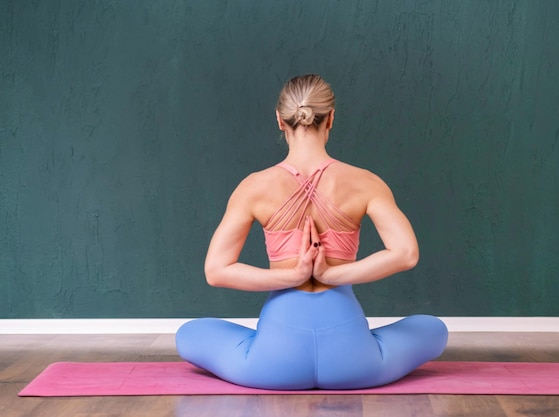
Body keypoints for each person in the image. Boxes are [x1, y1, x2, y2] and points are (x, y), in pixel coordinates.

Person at [176, 74, 448, 390]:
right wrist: (333, 275)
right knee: (433, 329)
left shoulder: (253, 187)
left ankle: (262, 344)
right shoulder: (365, 182)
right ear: (331, 117)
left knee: (189, 334)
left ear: (280, 120)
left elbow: (216, 271)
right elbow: (406, 253)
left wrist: (291, 277)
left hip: (272, 363)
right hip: (355, 363)